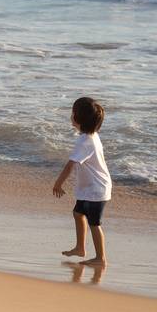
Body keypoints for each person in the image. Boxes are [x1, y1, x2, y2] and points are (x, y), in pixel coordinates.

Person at [53, 97, 112, 267]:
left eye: (73, 113)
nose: (71, 115)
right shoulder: (91, 136)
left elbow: (70, 166)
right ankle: (80, 248)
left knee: (94, 223)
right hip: (91, 188)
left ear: (78, 118)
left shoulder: (85, 142)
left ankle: (101, 258)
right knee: (78, 213)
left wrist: (58, 183)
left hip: (97, 189)